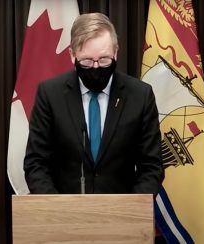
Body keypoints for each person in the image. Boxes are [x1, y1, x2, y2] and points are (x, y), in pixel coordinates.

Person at [24, 12, 164, 194]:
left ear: (116, 52)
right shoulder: (50, 94)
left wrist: (132, 208)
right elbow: (36, 163)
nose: (96, 67)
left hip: (123, 216)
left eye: (104, 59)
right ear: (72, 55)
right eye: (87, 61)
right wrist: (58, 209)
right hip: (65, 215)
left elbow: (152, 166)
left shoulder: (140, 95)